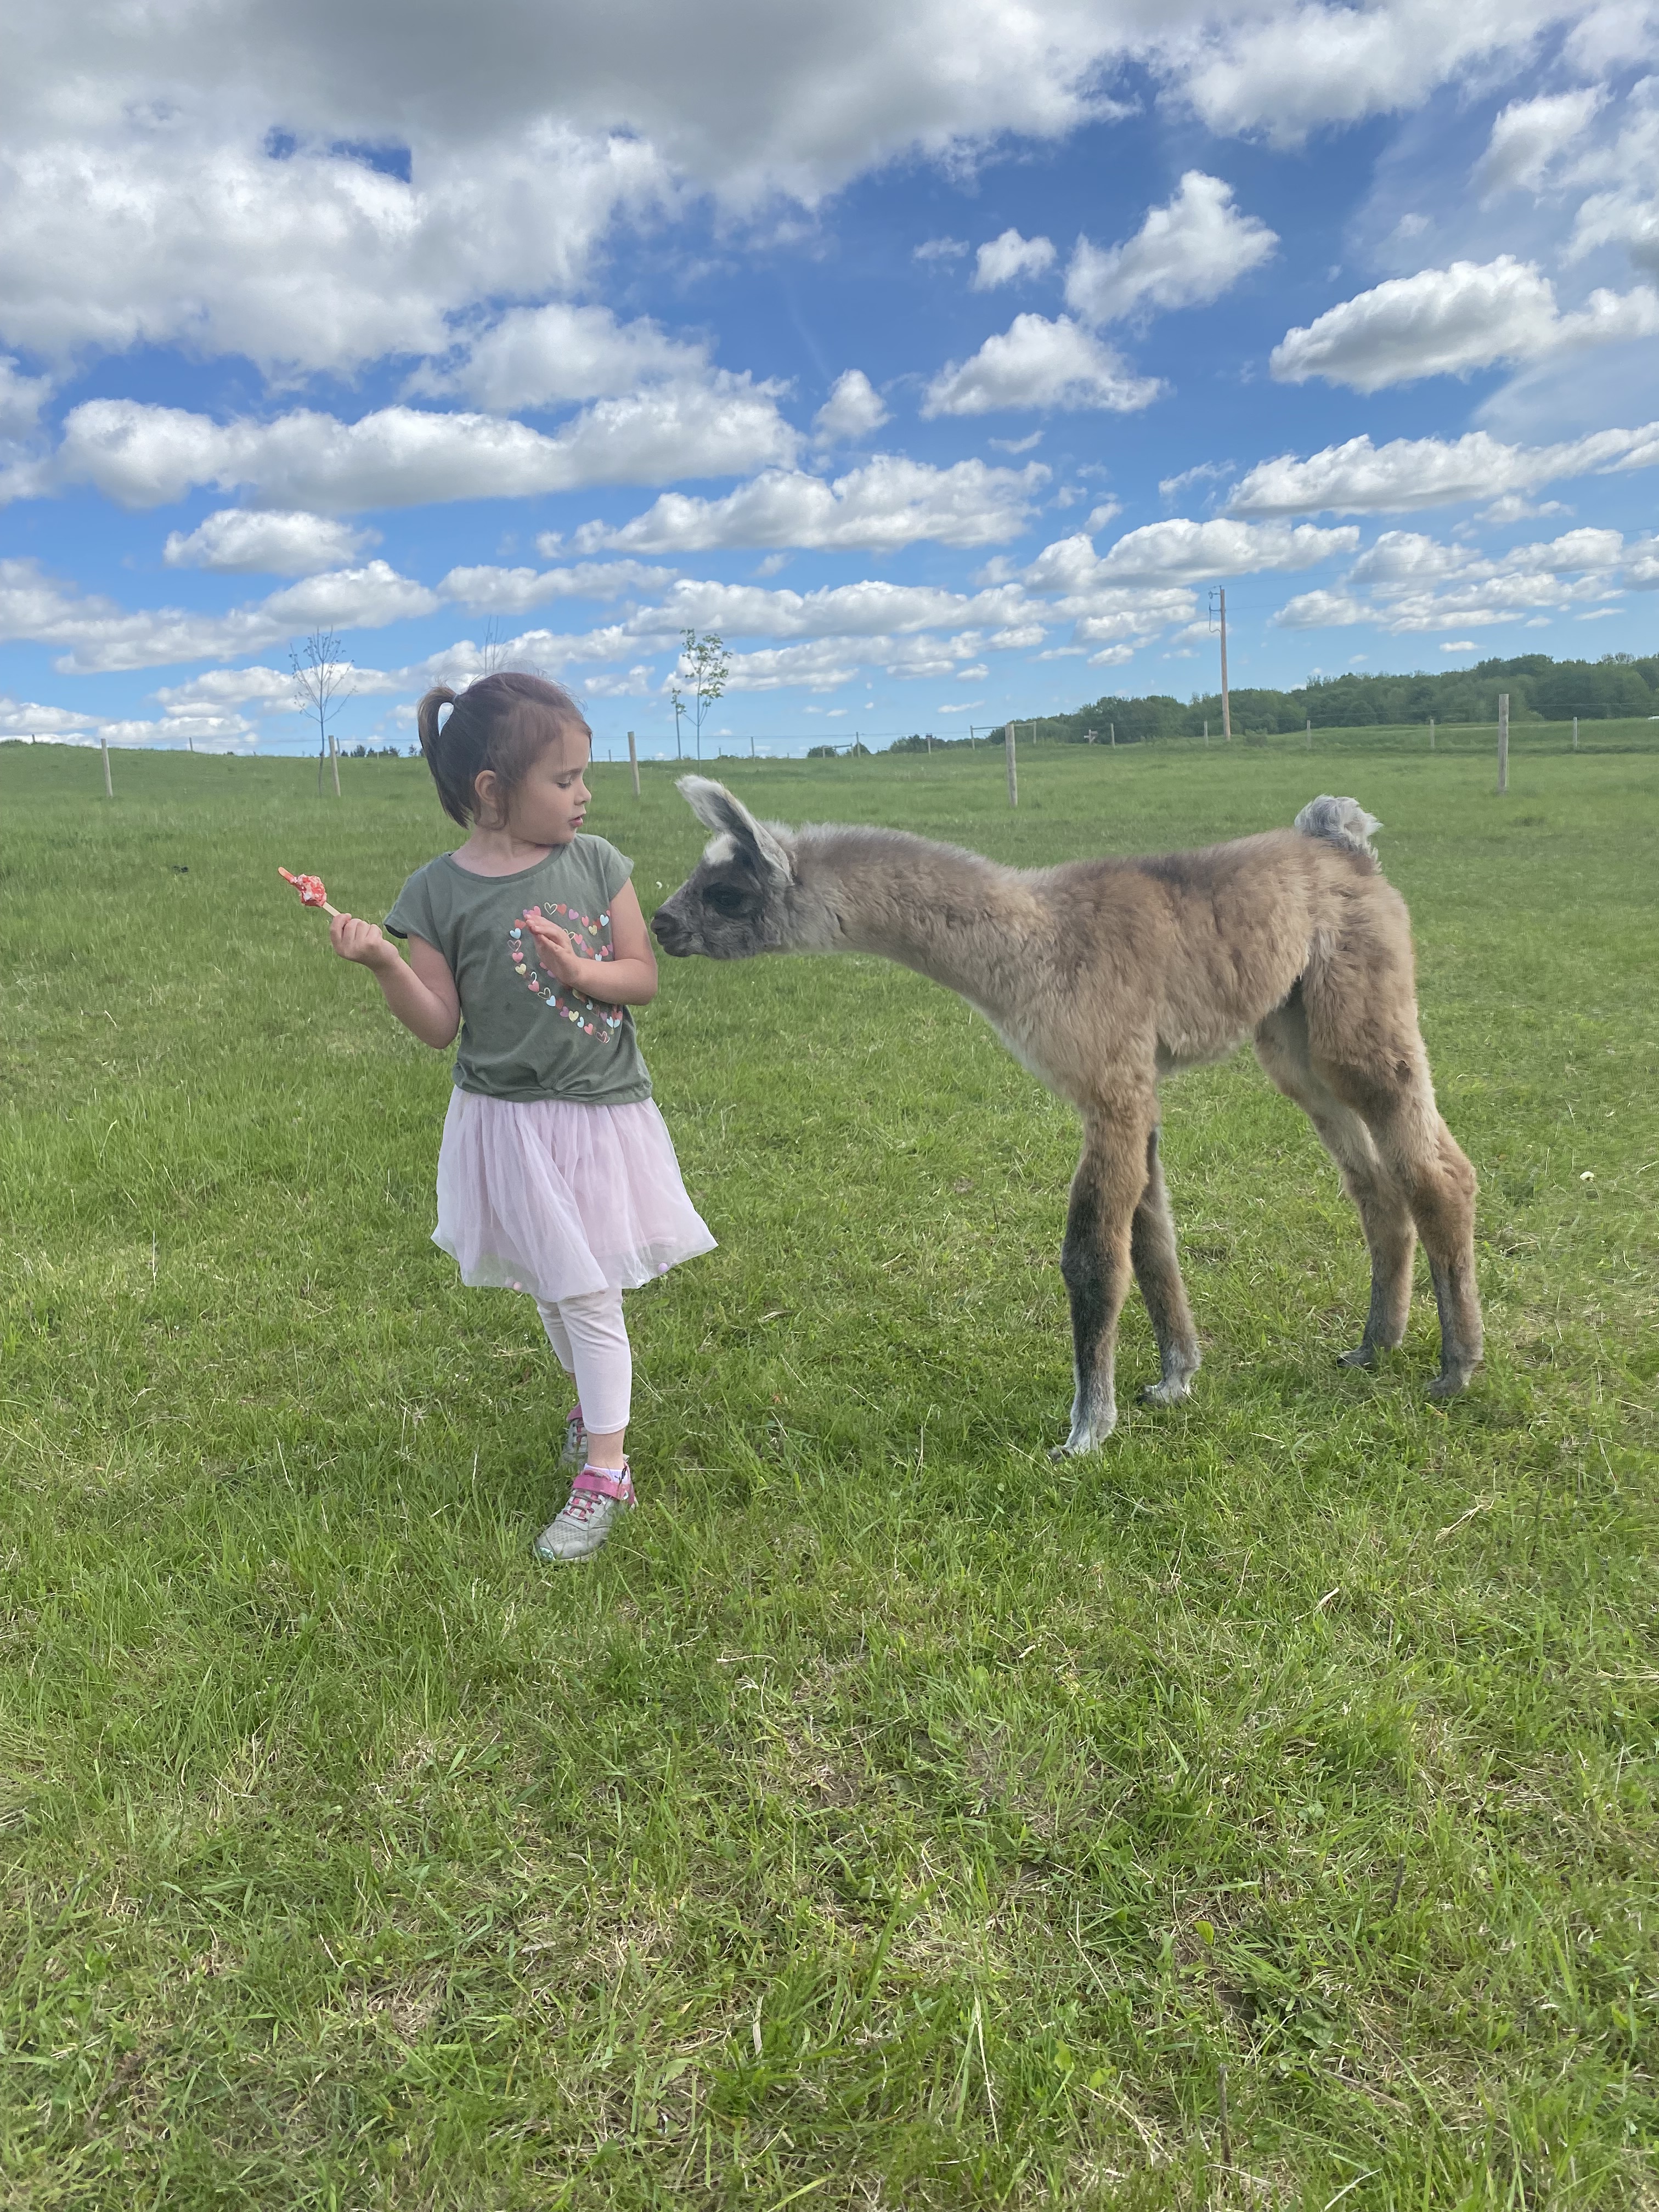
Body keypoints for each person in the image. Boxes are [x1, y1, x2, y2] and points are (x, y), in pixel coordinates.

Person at [327, 673, 715, 1562]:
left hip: (596, 1115)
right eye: (565, 779)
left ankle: (607, 1469)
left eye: (585, 776)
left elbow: (642, 978)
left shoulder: (596, 864)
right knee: (550, 1283)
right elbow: (438, 1026)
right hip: (504, 1121)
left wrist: (583, 974)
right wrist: (387, 965)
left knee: (586, 1289)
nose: (586, 795)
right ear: (494, 794)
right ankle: (591, 1408)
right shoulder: (437, 892)